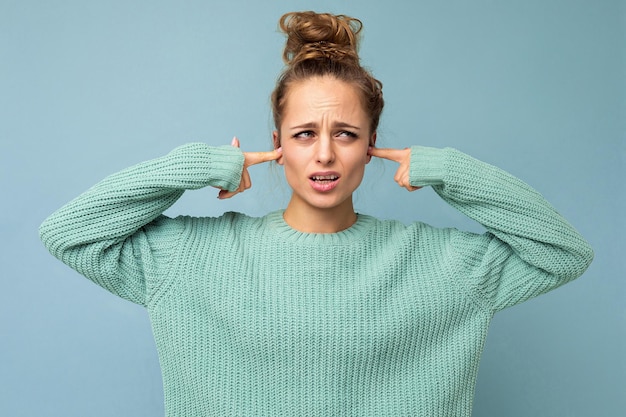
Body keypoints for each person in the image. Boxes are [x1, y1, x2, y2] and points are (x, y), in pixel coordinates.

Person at [39, 11, 593, 417]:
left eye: (345, 135)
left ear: (371, 145)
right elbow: (70, 234)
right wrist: (199, 165)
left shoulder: (439, 264)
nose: (325, 153)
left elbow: (564, 254)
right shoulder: (192, 258)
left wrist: (448, 169)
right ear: (277, 143)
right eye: (305, 134)